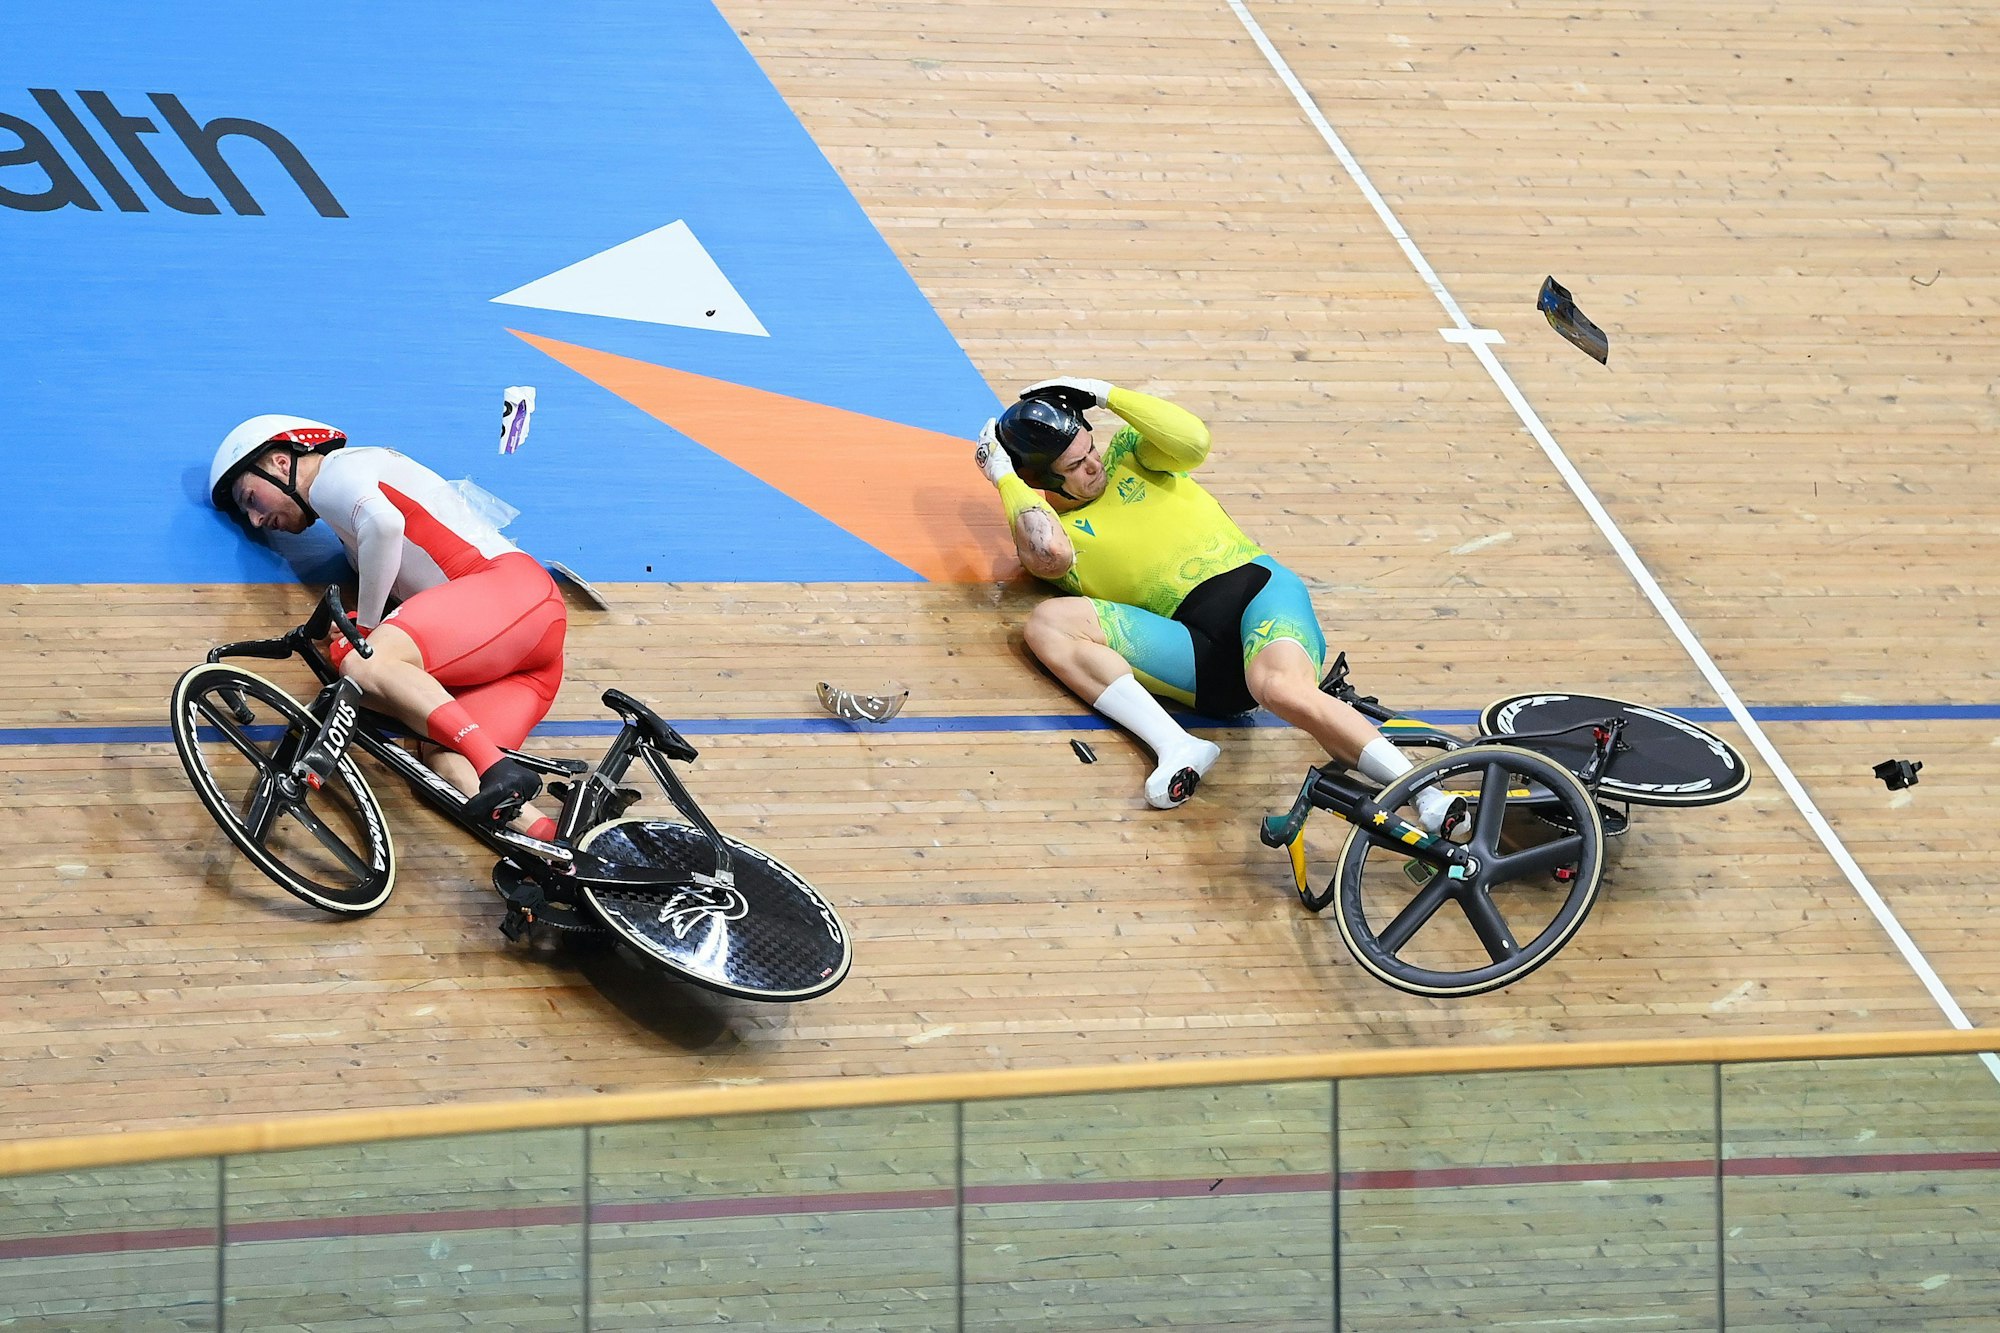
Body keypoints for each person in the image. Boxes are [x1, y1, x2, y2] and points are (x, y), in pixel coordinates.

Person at [974, 377, 1455, 829]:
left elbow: (1193, 441)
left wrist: (1104, 393)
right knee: (1046, 623)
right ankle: (1177, 746)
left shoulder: (1130, 455)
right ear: (1041, 479)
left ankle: (1425, 792)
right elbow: (1045, 552)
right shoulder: (1057, 533)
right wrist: (1003, 474)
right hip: (1191, 647)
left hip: (1256, 594)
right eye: (1075, 467)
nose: (1093, 464)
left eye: (1089, 449)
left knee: (1282, 690)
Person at [209, 414, 566, 837]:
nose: (253, 519)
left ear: (280, 463)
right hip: (528, 650)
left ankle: (497, 768)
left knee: (365, 662)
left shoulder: (332, 474)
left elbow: (384, 525)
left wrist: (369, 631)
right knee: (444, 763)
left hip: (507, 591)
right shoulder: (349, 527)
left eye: (250, 498)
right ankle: (561, 849)